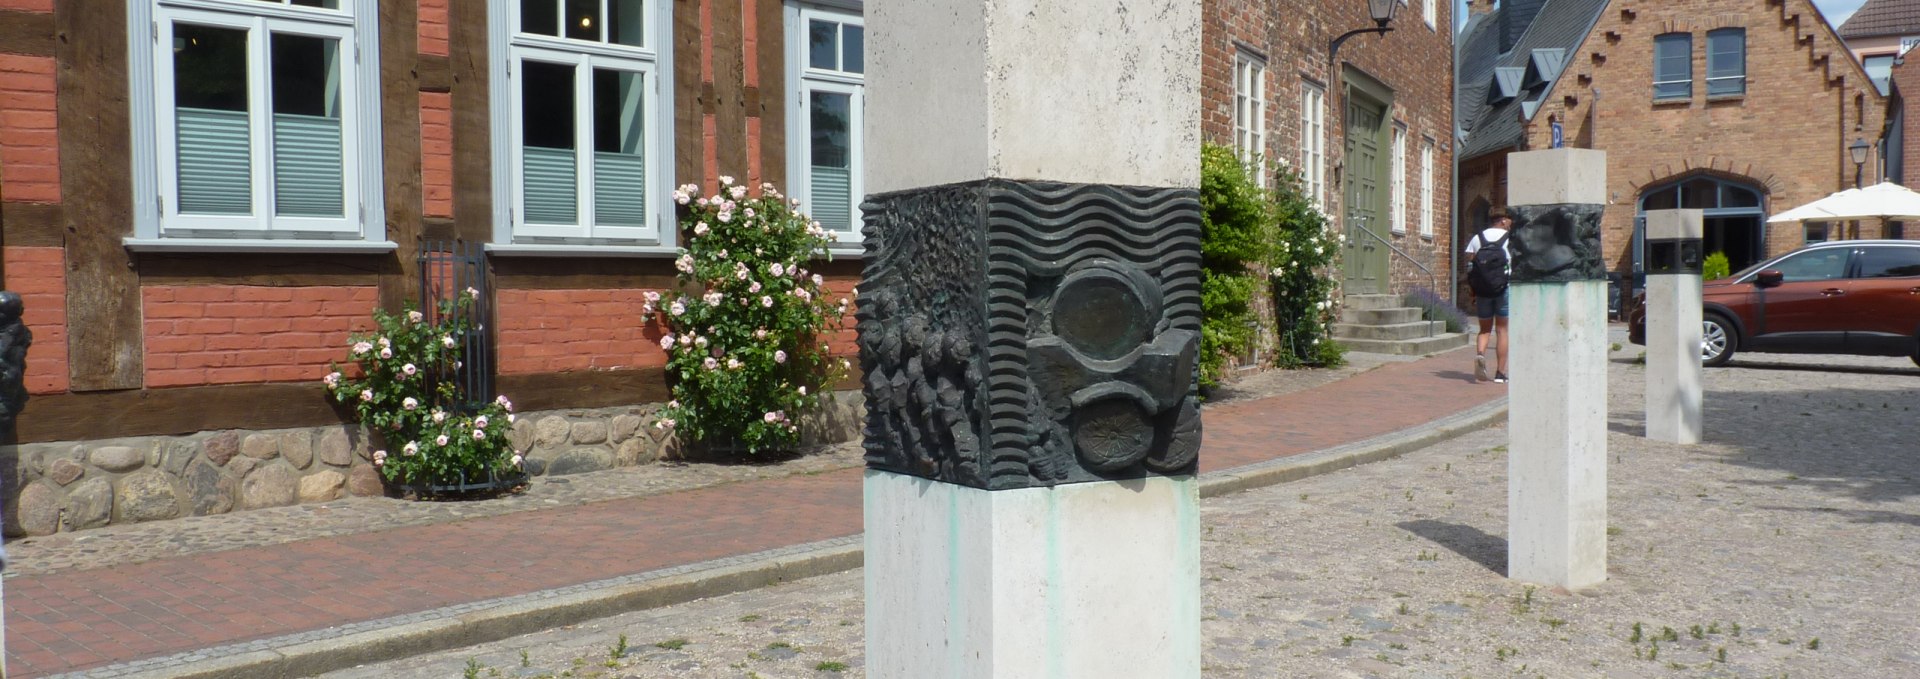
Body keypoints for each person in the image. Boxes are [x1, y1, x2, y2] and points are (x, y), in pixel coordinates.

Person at [1464, 207, 1512, 384]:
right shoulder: (1509, 239)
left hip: (1483, 289)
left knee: (1484, 329)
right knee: (1502, 330)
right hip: (1503, 288)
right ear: (1503, 220)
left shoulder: (1478, 238)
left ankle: (1480, 355)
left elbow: (1470, 260)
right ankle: (1500, 373)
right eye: (1509, 220)